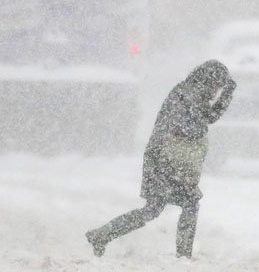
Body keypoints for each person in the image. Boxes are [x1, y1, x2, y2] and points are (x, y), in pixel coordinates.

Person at [86, 60, 237, 259]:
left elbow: (207, 118)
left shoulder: (190, 93)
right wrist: (224, 98)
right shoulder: (187, 95)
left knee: (169, 207)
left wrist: (226, 96)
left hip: (171, 162)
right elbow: (198, 123)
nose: (217, 91)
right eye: (218, 86)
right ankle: (181, 255)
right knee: (164, 207)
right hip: (164, 162)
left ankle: (102, 235)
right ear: (210, 81)